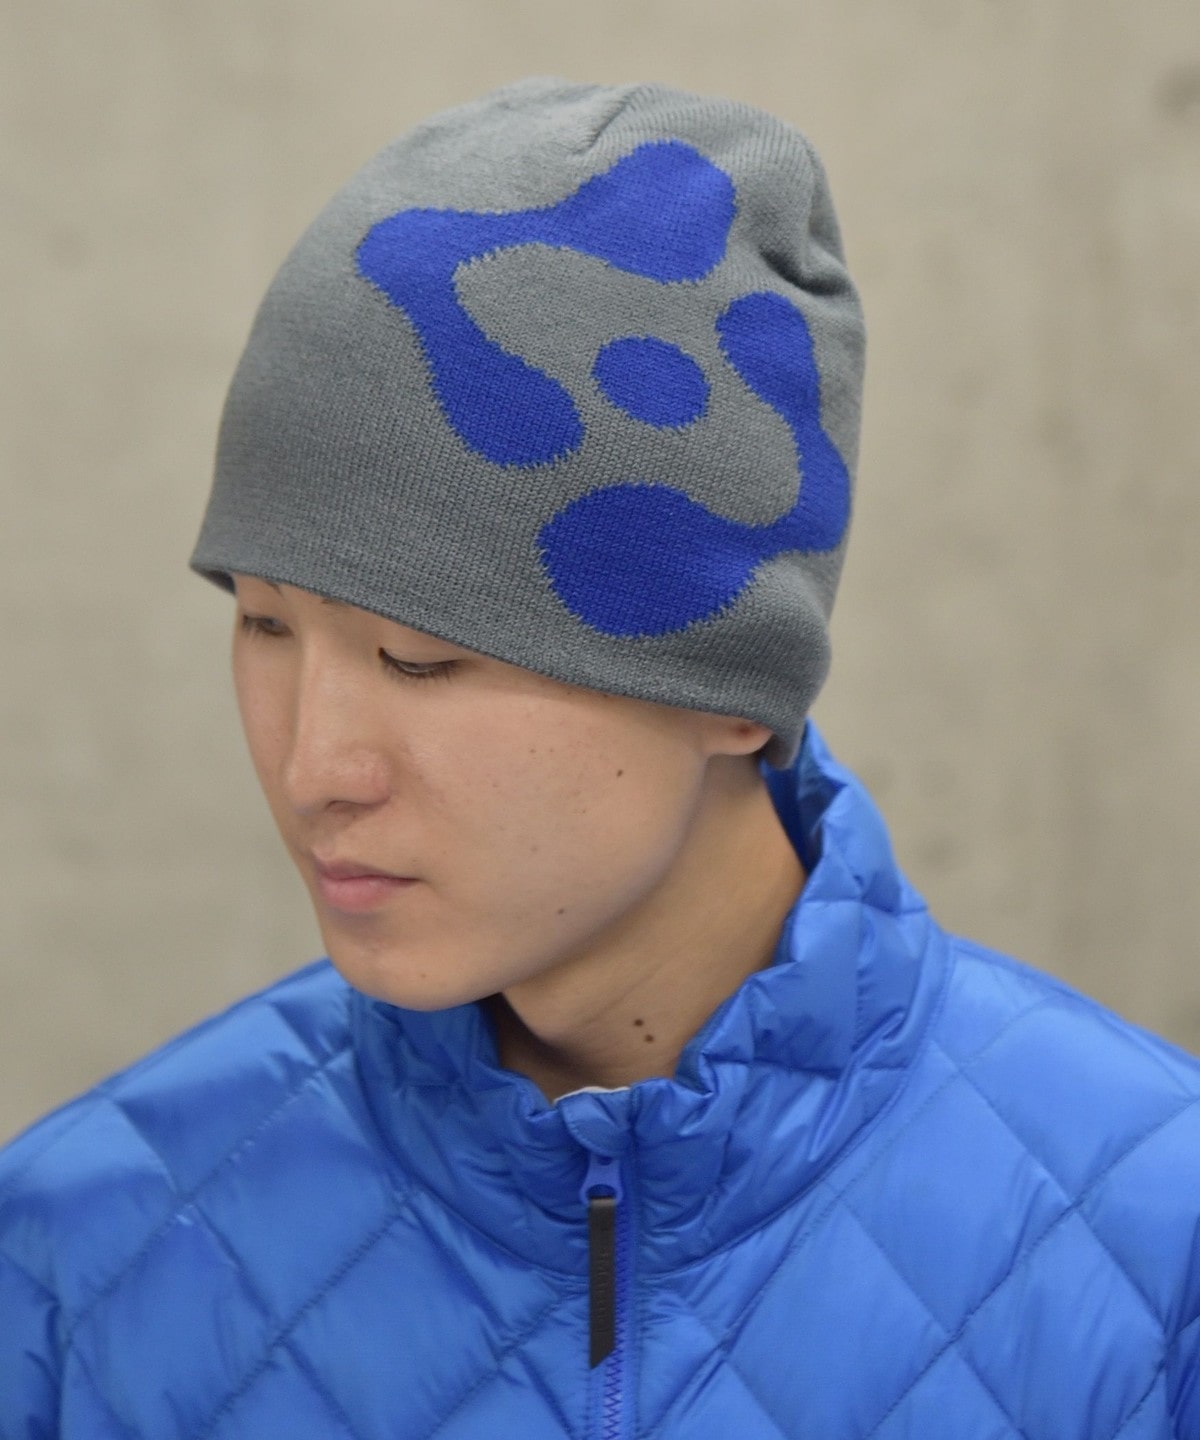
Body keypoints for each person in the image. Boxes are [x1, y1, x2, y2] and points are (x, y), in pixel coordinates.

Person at [2, 76, 1198, 1440]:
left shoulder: (1159, 1255)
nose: (313, 764)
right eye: (265, 624)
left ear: (732, 693)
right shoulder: (74, 1262)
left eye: (420, 658)